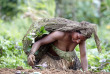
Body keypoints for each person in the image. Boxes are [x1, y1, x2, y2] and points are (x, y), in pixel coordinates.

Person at [23, 18, 101, 72]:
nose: (78, 41)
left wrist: (85, 72)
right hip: (51, 62)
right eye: (78, 37)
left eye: (81, 40)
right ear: (75, 30)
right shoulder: (60, 34)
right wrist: (32, 54)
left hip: (70, 63)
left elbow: (83, 56)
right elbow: (39, 42)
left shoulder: (81, 40)